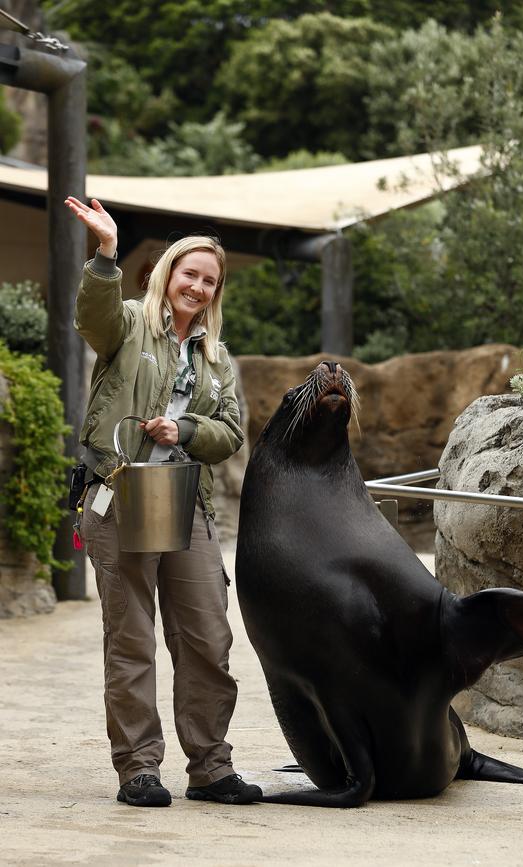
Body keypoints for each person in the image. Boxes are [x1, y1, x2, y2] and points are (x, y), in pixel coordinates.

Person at [65, 195, 262, 808]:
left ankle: (210, 766)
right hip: (117, 497)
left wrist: (188, 432)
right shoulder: (126, 323)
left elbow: (230, 431)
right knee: (130, 637)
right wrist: (104, 254)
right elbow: (90, 317)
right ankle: (139, 768)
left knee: (207, 635)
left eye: (209, 281)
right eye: (189, 274)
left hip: (186, 501)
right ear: (166, 275)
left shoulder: (214, 357)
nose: (198, 287)